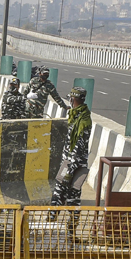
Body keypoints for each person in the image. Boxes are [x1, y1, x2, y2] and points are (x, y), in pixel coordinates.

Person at [50, 86, 93, 231]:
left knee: (65, 197)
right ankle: (60, 227)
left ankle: (67, 230)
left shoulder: (83, 120)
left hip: (73, 165)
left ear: (73, 99)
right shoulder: (76, 115)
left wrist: (69, 171)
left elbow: (79, 148)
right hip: (68, 163)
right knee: (65, 196)